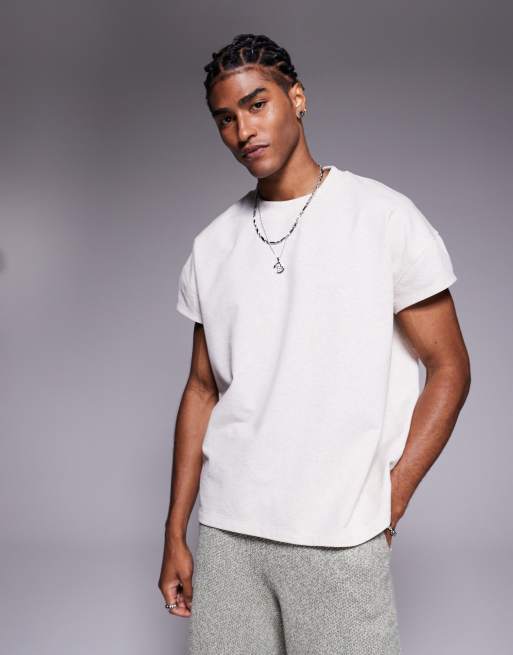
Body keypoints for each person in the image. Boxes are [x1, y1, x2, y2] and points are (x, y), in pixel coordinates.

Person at [158, 33, 471, 654]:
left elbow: (450, 369)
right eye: (225, 119)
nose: (243, 130)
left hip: (339, 535)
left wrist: (392, 496)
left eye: (257, 104)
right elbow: (201, 389)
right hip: (228, 534)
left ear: (297, 98)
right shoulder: (212, 246)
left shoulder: (382, 218)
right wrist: (174, 532)